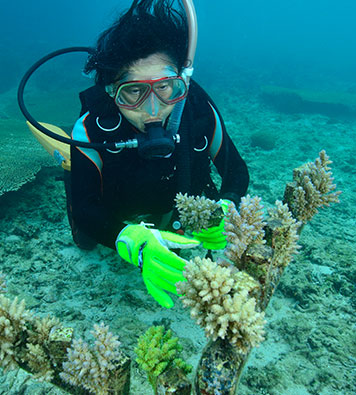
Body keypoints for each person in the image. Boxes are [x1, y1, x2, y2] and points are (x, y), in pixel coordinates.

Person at [67, 0, 249, 308]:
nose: (153, 110)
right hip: (120, 210)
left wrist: (226, 207)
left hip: (177, 204)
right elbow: (85, 210)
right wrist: (127, 240)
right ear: (112, 92)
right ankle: (67, 162)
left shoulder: (198, 110)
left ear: (182, 81)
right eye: (134, 91)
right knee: (85, 242)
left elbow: (236, 172)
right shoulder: (92, 129)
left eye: (166, 87)